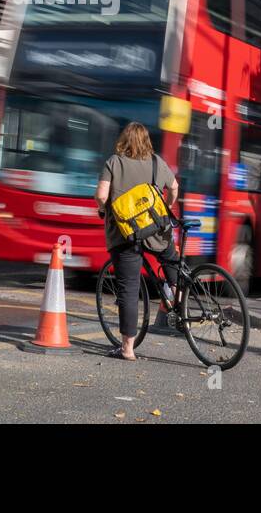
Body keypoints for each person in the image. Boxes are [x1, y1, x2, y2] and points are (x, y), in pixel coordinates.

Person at [93, 122, 179, 362]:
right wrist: (167, 207)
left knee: (129, 289)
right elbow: (174, 188)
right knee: (172, 260)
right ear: (147, 141)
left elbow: (101, 195)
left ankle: (128, 349)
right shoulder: (156, 162)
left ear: (124, 140)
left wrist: (103, 209)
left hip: (125, 235)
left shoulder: (114, 162)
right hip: (156, 229)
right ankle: (179, 297)